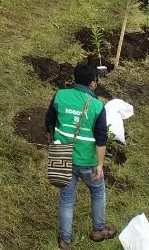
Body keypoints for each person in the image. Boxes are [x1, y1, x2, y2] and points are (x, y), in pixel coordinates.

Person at [45, 62, 115, 249]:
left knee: (67, 199)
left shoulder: (60, 95)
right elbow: (101, 139)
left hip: (64, 157)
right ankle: (98, 230)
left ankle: (65, 240)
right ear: (92, 83)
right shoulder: (97, 106)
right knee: (97, 191)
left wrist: (55, 142)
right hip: (88, 161)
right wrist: (100, 165)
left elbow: (49, 122)